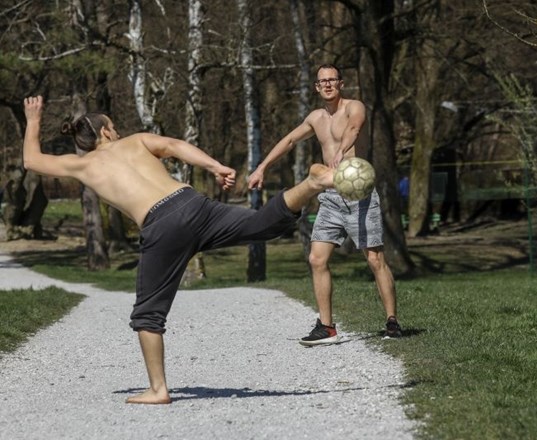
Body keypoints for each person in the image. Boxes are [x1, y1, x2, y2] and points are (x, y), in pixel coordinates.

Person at [22, 95, 334, 404]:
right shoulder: (138, 141)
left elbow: (32, 161)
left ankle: (158, 389)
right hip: (192, 203)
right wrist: (215, 166)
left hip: (161, 224)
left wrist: (34, 120)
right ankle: (312, 184)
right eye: (113, 127)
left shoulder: (81, 164)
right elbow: (175, 147)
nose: (116, 132)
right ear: (104, 131)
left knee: (147, 315)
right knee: (262, 225)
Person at [247, 64, 402, 346]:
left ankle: (392, 321)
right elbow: (291, 139)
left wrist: (342, 150)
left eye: (332, 80)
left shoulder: (354, 107)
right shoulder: (316, 117)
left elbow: (355, 128)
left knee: (374, 259)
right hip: (330, 198)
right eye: (322, 82)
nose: (328, 85)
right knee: (316, 259)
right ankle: (327, 327)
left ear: (341, 83)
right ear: (317, 88)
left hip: (359, 193)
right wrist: (262, 167)